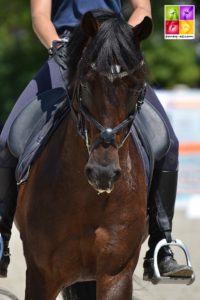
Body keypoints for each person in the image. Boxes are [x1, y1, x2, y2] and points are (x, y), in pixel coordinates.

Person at [0, 0, 193, 281]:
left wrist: (119, 41)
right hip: (66, 51)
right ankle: (1, 236)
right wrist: (58, 47)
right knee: (6, 140)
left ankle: (162, 246)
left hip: (114, 52)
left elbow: (143, 10)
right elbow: (40, 16)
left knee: (169, 142)